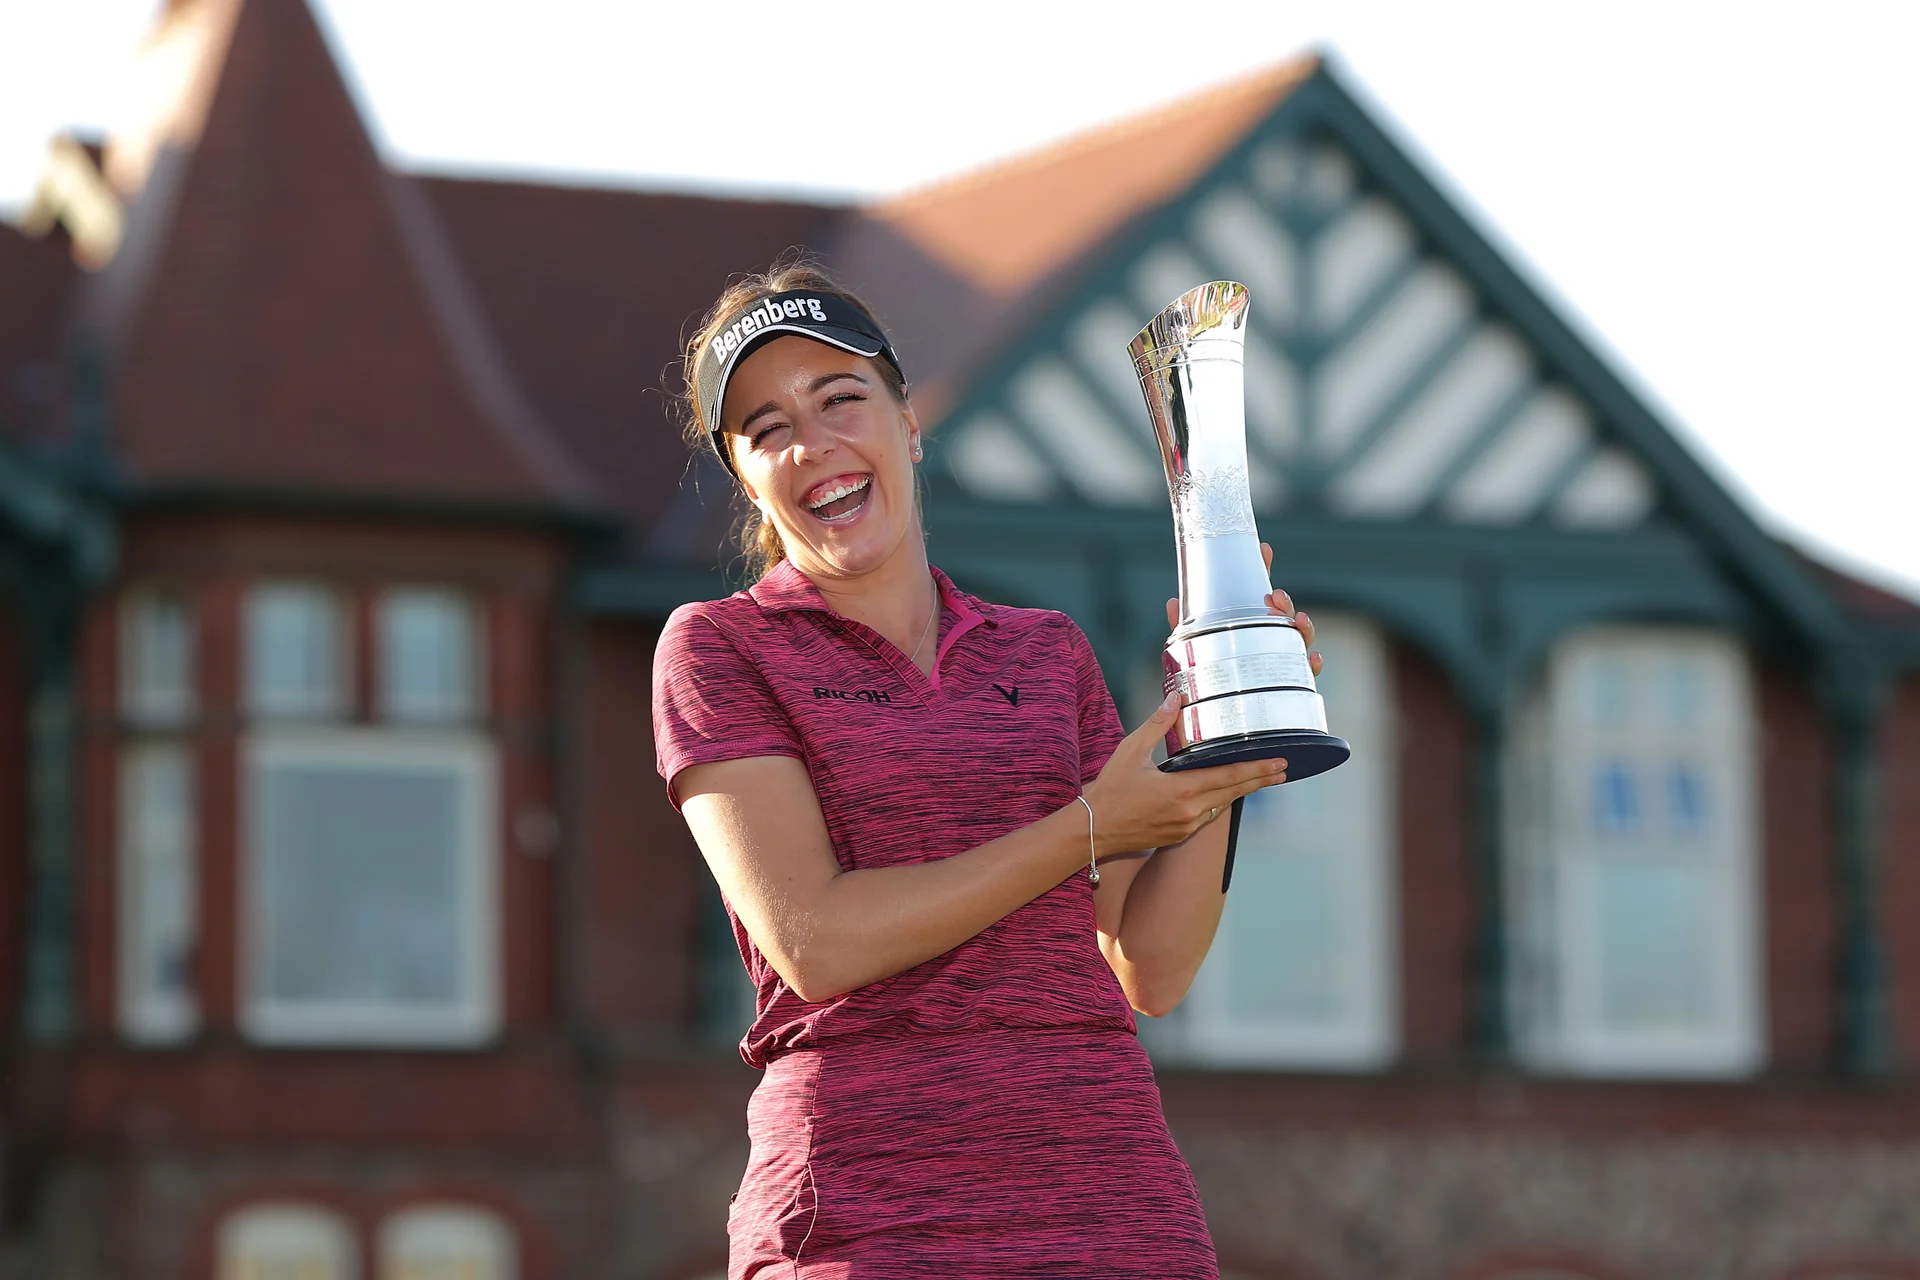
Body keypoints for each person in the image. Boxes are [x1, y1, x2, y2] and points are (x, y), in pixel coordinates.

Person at [651, 261, 1321, 1278]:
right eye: (768, 425)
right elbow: (815, 941)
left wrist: (1220, 738)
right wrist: (1090, 824)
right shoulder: (719, 649)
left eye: (841, 398)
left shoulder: (1042, 649)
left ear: (908, 423)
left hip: (1113, 1202)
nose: (814, 441)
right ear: (745, 474)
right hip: (870, 1213)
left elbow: (1152, 964)